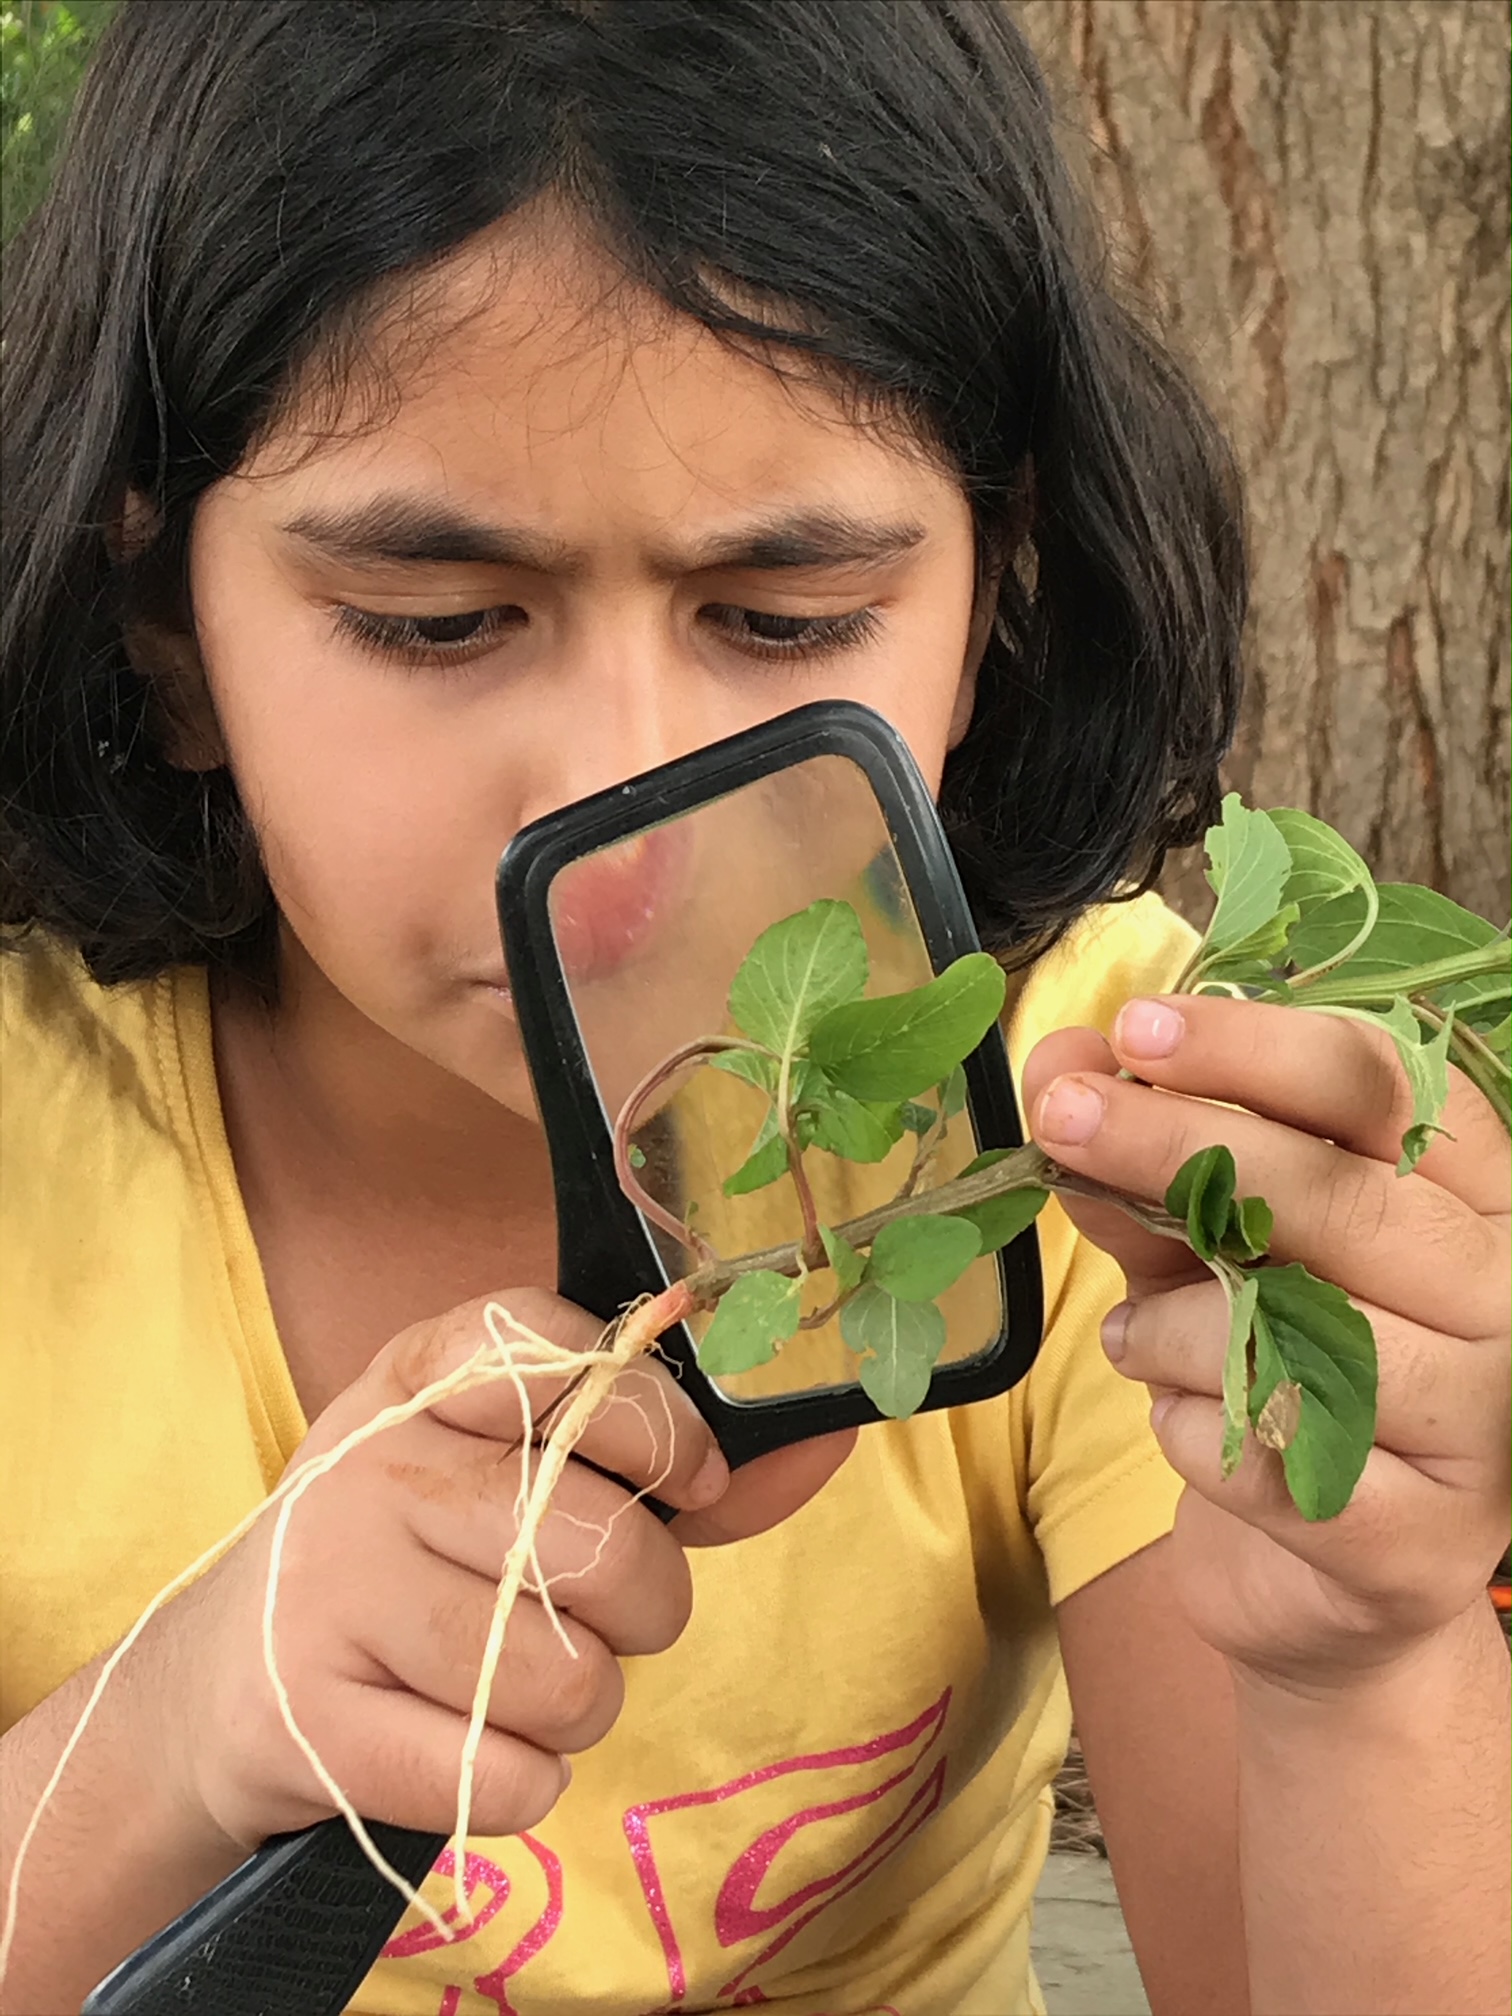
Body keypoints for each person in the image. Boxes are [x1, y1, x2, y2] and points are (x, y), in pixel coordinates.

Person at [1, 4, 1507, 2012]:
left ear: (989, 614)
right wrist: (181, 1726)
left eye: (785, 624)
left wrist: (1365, 1654)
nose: (623, 826)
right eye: (437, 621)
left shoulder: (1096, 1158)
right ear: (163, 629)